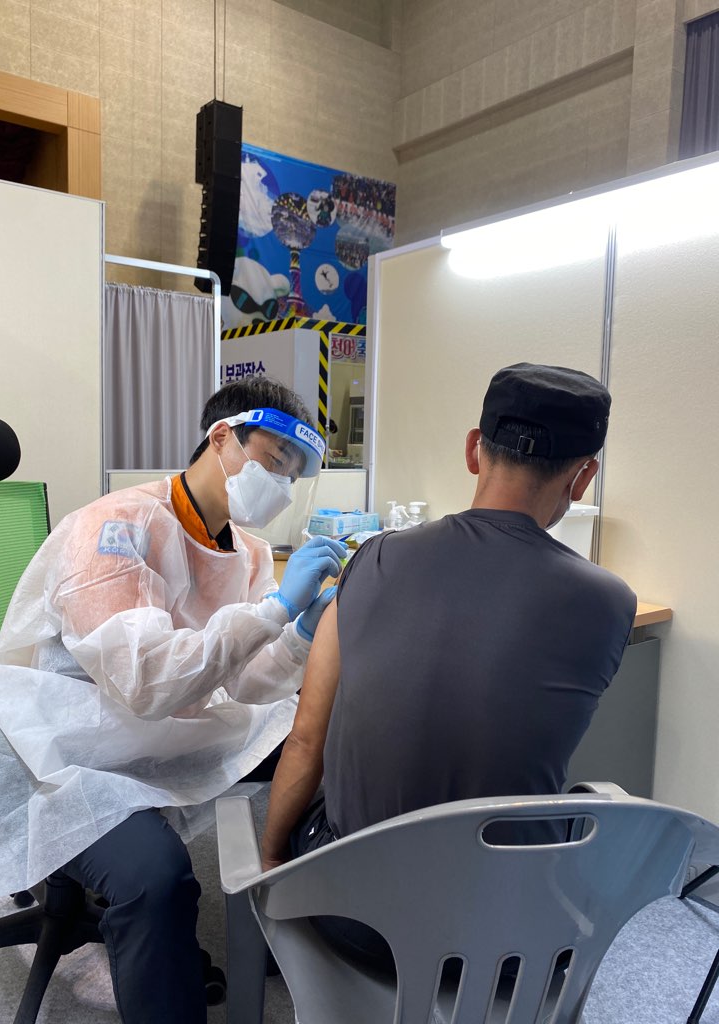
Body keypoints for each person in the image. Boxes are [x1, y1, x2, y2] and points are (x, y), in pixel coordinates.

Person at [0, 376, 346, 1023]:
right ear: (222, 438)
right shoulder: (113, 528)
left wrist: (299, 635)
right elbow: (143, 682)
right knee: (155, 877)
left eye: (294, 474)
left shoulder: (250, 554)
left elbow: (242, 681)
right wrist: (275, 610)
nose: (281, 485)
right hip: (67, 752)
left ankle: (292, 928)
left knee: (322, 757)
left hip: (164, 733)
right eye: (274, 461)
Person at [260, 362, 637, 970]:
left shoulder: (374, 558)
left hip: (356, 920)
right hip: (512, 944)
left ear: (472, 450)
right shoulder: (610, 602)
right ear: (584, 477)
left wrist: (273, 865)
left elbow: (306, 739)